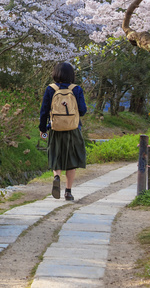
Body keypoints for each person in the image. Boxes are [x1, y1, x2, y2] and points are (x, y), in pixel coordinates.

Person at [39, 61, 87, 201]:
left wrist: (43, 129)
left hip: (55, 129)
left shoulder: (50, 89)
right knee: (71, 161)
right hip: (73, 129)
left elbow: (44, 112)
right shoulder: (76, 89)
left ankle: (56, 177)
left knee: (56, 156)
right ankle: (68, 191)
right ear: (71, 74)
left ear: (55, 73)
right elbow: (83, 111)